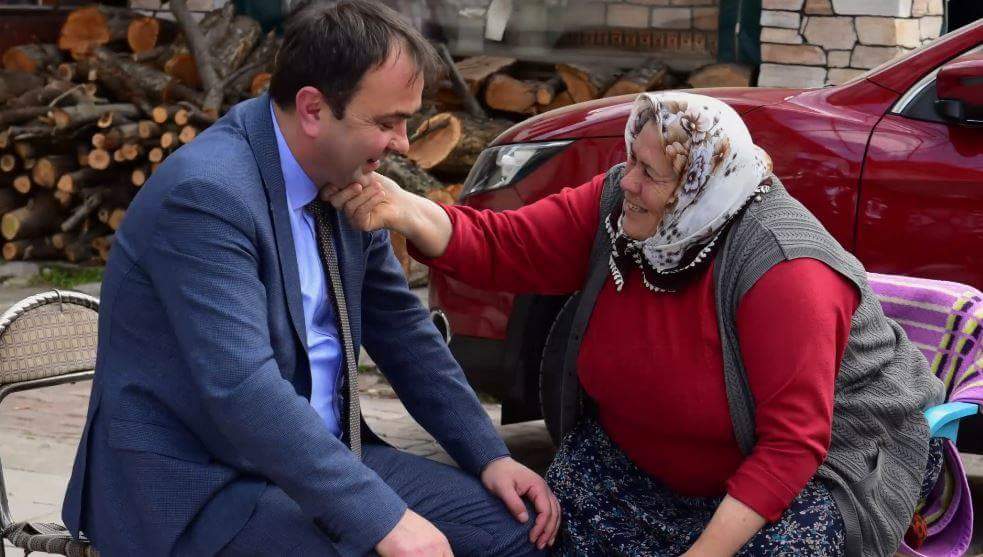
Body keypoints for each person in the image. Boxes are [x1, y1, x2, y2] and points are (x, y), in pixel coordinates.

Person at [326, 91, 946, 556]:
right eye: (630, 160)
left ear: (701, 188)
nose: (627, 182)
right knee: (539, 533)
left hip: (818, 470)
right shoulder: (620, 207)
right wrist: (402, 208)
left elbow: (791, 446)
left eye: (651, 174)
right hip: (643, 461)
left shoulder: (783, 268)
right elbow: (506, 244)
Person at [61, 1, 559, 555]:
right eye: (386, 123)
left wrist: (489, 455)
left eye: (407, 121)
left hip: (324, 457)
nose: (403, 143)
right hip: (201, 485)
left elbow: (404, 333)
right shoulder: (207, 196)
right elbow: (244, 389)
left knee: (517, 532)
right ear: (314, 109)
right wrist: (383, 520)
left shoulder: (346, 178)